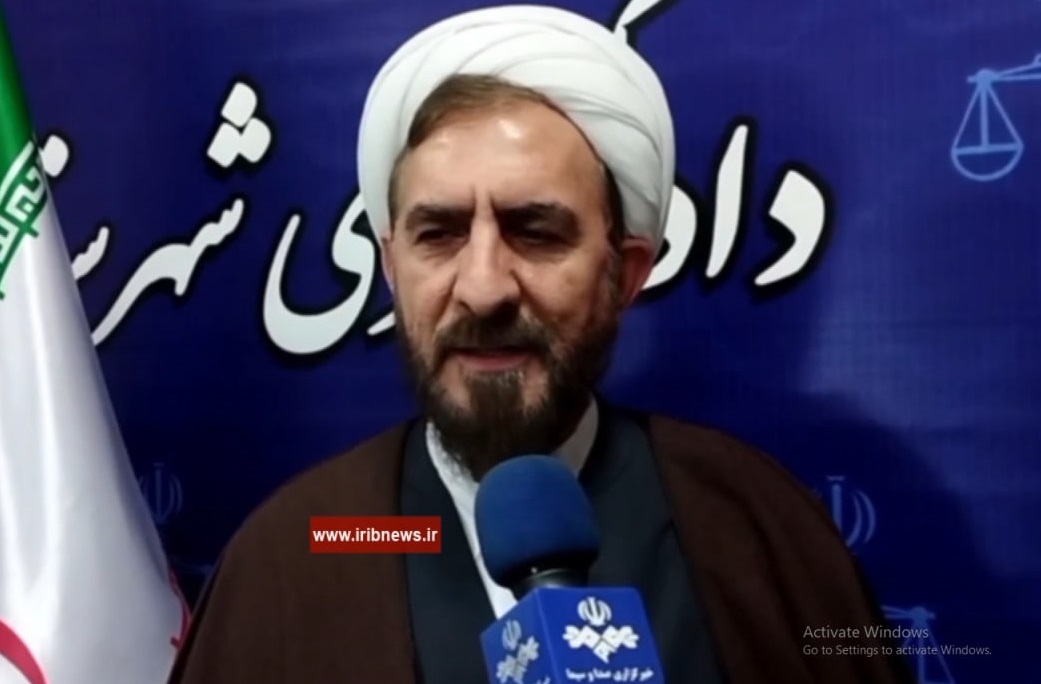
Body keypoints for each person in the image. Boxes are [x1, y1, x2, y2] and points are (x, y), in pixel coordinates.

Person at [167, 6, 915, 684]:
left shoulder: (755, 526)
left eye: (535, 232)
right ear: (391, 269)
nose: (483, 288)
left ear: (624, 273)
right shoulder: (305, 546)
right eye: (439, 234)